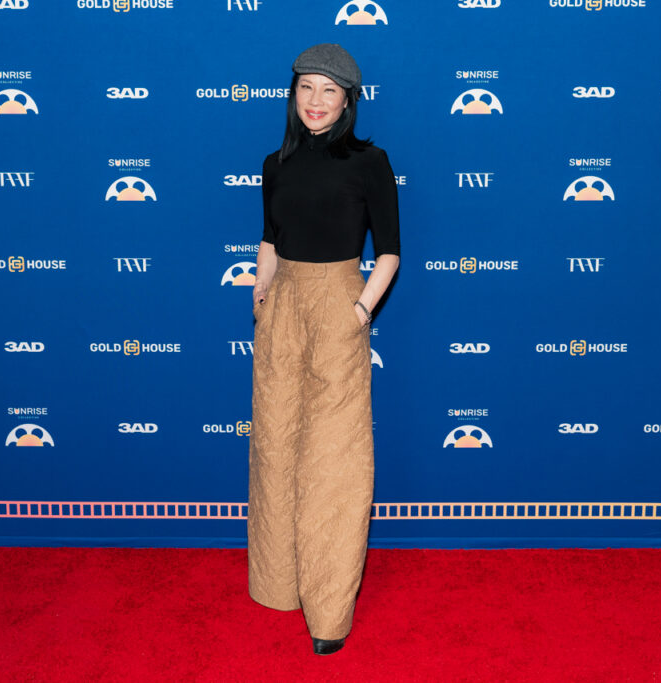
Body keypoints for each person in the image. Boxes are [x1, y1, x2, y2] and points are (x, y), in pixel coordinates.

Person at [247, 43, 400, 656]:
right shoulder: (274, 163)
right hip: (281, 305)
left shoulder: (370, 161)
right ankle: (280, 583)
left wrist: (360, 310)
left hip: (339, 299)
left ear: (348, 100)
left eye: (329, 91)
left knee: (335, 455)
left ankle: (330, 609)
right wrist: (261, 293)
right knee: (276, 442)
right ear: (294, 95)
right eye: (307, 88)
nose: (316, 101)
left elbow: (388, 251)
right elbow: (269, 237)